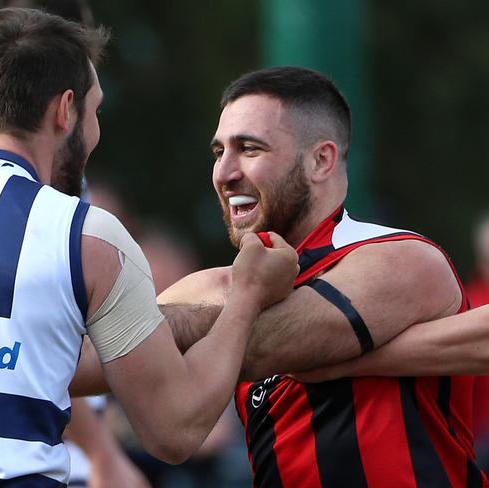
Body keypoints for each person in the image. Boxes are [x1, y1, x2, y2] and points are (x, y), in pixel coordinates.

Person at [0, 8, 298, 486]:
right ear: (65, 111)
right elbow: (176, 430)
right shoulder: (87, 236)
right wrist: (246, 295)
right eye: (94, 110)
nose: (95, 132)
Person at [157, 66, 486, 487]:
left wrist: (172, 340)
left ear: (321, 159)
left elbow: (275, 344)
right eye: (219, 152)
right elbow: (150, 410)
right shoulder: (218, 286)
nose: (224, 172)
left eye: (249, 149)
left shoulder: (398, 256)